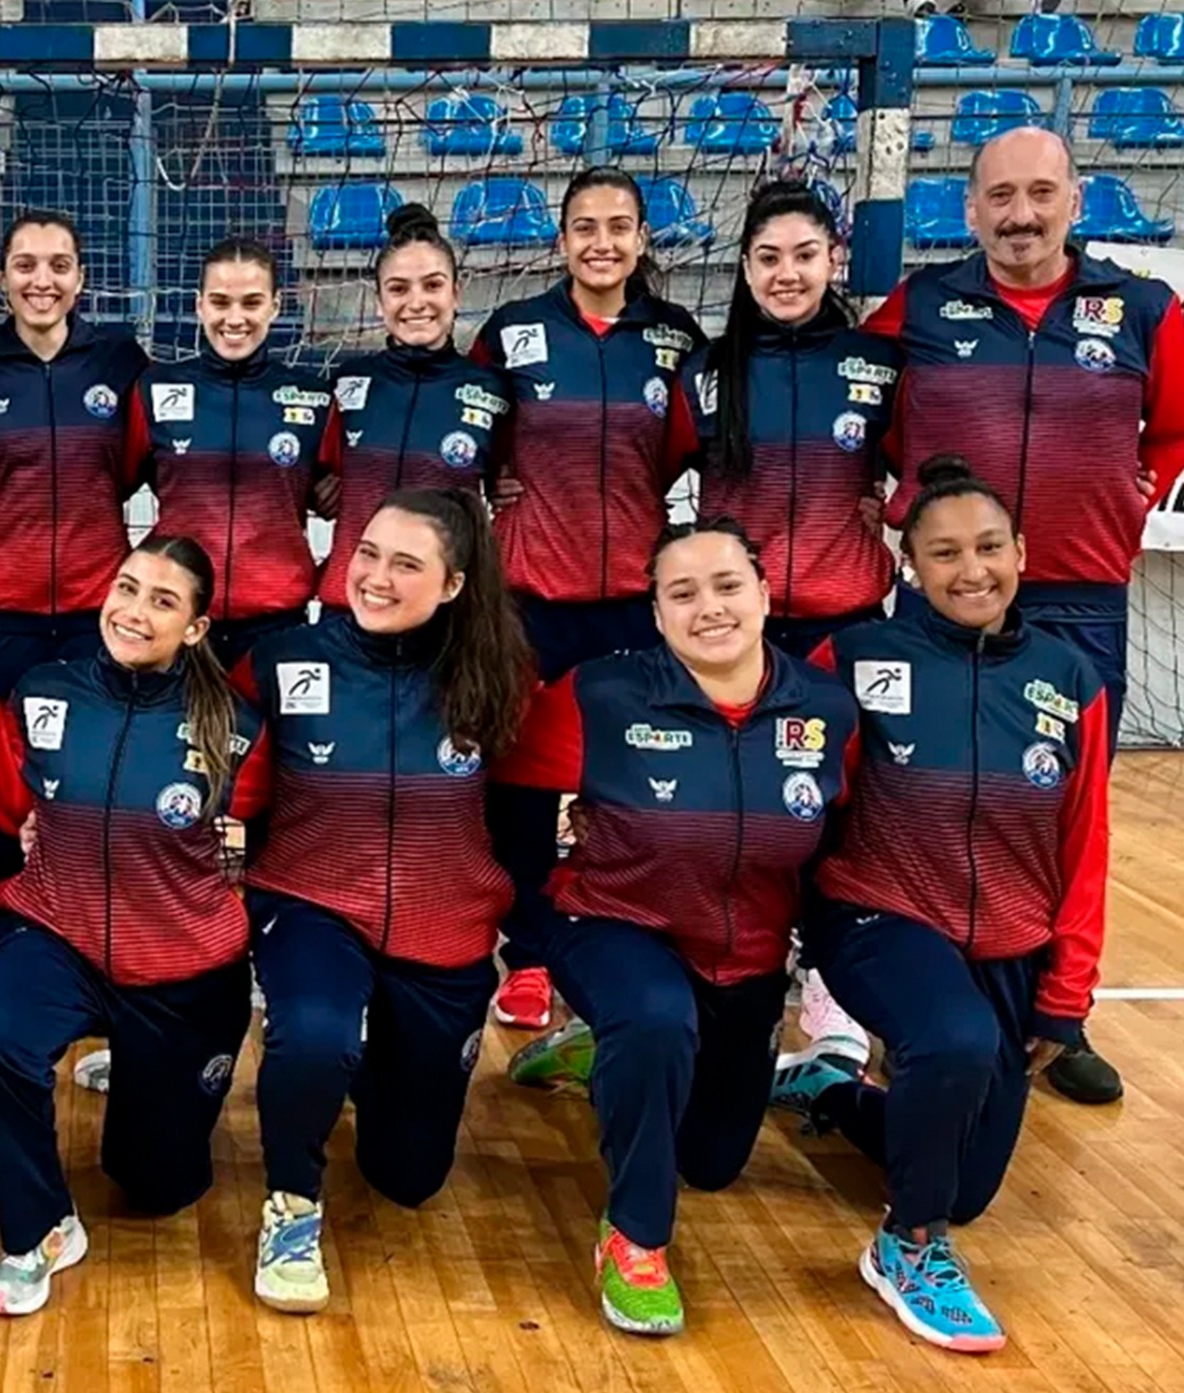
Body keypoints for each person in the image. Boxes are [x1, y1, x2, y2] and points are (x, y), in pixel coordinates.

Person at [862, 126, 1184, 1105]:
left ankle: (1062, 1014)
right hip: (939, 599)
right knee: (916, 804)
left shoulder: (1139, 308)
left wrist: (1139, 494)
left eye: (1038, 193)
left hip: (1077, 600)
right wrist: (897, 503)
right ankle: (914, 1010)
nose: (1019, 214)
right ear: (968, 209)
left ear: (1074, 199)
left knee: (1062, 811)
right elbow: (863, 411)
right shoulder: (918, 307)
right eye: (998, 196)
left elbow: (1175, 427)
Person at [768, 457, 1109, 1353]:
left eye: (990, 547)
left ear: (1022, 551)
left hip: (1010, 937)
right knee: (951, 1041)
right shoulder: (853, 657)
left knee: (964, 1181)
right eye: (944, 552)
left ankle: (833, 1093)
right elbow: (803, 801)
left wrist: (1066, 992)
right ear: (910, 565)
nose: (972, 570)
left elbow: (1086, 845)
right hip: (877, 913)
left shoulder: (1071, 680)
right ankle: (907, 1246)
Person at [494, 517, 859, 1337]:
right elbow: (502, 791)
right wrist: (523, 924)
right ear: (655, 613)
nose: (709, 607)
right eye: (682, 592)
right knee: (654, 1019)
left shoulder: (828, 709)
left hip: (747, 956)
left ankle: (596, 1053)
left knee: (713, 1160)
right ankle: (634, 1240)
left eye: (728, 585)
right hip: (613, 922)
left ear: (765, 595)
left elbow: (842, 843)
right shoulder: (598, 694)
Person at [0, 536, 268, 1317]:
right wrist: (34, 840)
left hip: (183, 966)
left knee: (157, 1186)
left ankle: (136, 1070)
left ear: (195, 627)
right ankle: (41, 1231)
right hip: (60, 934)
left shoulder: (238, 728)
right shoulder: (40, 692)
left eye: (163, 601)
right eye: (126, 587)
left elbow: (283, 840)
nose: (134, 610)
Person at [232, 486, 531, 1315]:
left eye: (406, 564)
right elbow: (204, 773)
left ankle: (371, 1068)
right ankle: (292, 1204)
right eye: (367, 552)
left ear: (454, 584)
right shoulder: (281, 661)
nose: (374, 576)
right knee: (317, 1029)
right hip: (309, 898)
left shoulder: (500, 676)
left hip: (446, 923)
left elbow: (526, 817)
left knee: (409, 1178)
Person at [670, 178, 902, 1068]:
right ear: (744, 267)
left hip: (845, 629)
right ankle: (715, 984)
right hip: (736, 641)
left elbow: (922, 469)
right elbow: (637, 470)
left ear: (833, 259)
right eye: (769, 257)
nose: (788, 273)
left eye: (805, 255)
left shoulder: (879, 365)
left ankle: (830, 989)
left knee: (835, 813)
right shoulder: (708, 373)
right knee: (724, 814)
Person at [472, 168, 706, 1032]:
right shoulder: (512, 333)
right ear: (560, 240)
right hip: (531, 598)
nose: (601, 242)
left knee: (641, 781)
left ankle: (626, 941)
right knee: (522, 790)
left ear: (643, 239)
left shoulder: (675, 339)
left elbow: (686, 452)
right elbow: (474, 440)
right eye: (583, 226)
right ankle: (527, 958)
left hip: (635, 605)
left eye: (618, 226)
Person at [0, 209, 150, 699]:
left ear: (80, 278)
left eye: (59, 266)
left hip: (99, 608)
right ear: (1, 277)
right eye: (25, 265)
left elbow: (141, 465)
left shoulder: (121, 361)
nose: (42, 281)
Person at [126, 235, 334, 665]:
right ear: (199, 304)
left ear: (276, 305)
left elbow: (342, 485)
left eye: (252, 302)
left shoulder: (314, 399)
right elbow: (122, 478)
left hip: (277, 621)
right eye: (220, 302)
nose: (235, 318)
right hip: (178, 619)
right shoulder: (154, 390)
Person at [311, 205, 508, 614]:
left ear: (457, 291)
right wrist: (314, 490)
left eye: (432, 286)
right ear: (379, 301)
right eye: (399, 289)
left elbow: (512, 478)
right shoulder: (346, 385)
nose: (417, 303)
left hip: (447, 615)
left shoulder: (492, 389)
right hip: (351, 607)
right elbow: (306, 476)